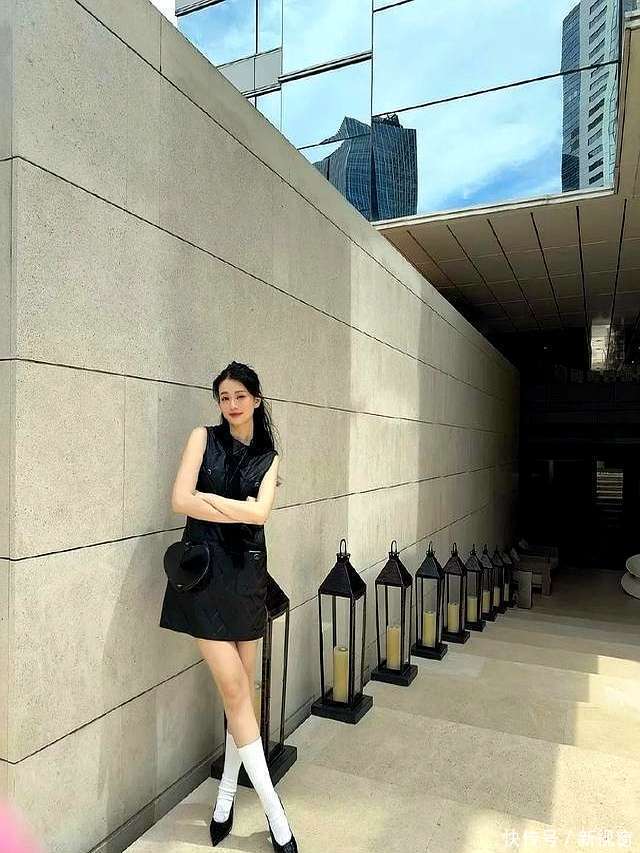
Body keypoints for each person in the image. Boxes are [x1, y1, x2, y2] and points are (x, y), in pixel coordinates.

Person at [159, 361, 298, 851]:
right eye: (224, 397)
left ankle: (224, 799)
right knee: (237, 690)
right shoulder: (203, 438)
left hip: (246, 578)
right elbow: (180, 500)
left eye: (240, 396)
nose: (232, 404)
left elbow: (260, 516)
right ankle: (276, 814)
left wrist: (212, 501)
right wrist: (236, 509)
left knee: (241, 695)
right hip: (202, 577)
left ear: (256, 400)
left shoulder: (269, 457)